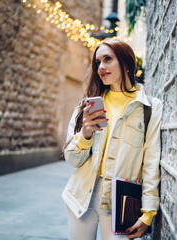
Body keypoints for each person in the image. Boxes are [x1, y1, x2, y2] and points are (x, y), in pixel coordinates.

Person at [61, 38, 162, 240]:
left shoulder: (149, 108)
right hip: (81, 198)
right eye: (97, 62)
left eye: (108, 59)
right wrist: (85, 135)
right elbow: (72, 160)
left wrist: (148, 212)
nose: (101, 67)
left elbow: (151, 162)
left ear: (126, 63)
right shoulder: (87, 106)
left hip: (121, 202)